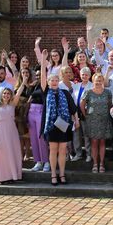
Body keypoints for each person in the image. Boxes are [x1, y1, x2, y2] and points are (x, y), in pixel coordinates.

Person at [41, 49, 80, 185]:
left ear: (59, 81)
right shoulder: (47, 93)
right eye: (52, 80)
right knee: (53, 150)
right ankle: (53, 174)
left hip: (63, 124)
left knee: (63, 150)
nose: (54, 82)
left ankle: (62, 174)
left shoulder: (65, 92)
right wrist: (43, 61)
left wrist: (76, 120)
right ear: (49, 82)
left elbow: (73, 108)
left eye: (56, 80)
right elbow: (42, 79)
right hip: (52, 125)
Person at [0, 87, 23, 184]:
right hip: (1, 131)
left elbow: (18, 93)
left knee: (12, 152)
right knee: (3, 154)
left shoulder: (12, 105)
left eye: (8, 93)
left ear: (10, 95)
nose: (6, 95)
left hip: (12, 132)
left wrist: (23, 83)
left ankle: (13, 175)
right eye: (4, 93)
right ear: (1, 94)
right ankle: (3, 177)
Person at [80, 73, 113, 174]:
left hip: (104, 120)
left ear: (103, 81)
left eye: (100, 80)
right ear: (93, 81)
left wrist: (106, 114)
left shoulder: (107, 92)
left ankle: (102, 163)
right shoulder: (88, 92)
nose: (98, 82)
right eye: (96, 80)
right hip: (92, 121)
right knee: (94, 142)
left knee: (102, 142)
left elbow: (109, 105)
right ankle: (95, 163)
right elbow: (82, 104)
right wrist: (85, 115)